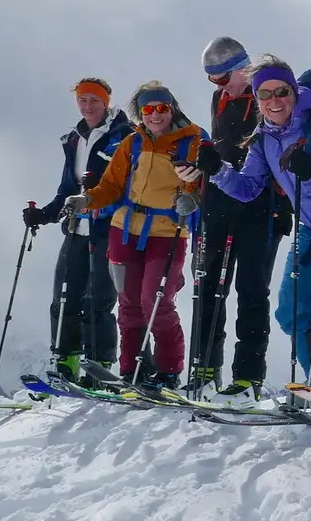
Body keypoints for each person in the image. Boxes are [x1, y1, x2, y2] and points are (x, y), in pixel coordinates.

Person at [199, 56, 311, 391]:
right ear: (257, 99)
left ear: (294, 92)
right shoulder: (264, 137)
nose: (274, 100)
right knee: (293, 311)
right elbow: (249, 188)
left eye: (281, 91)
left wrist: (308, 175)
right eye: (264, 94)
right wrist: (218, 171)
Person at [62, 80, 208, 390]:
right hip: (124, 229)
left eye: (161, 108)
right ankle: (132, 371)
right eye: (147, 110)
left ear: (172, 108)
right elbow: (111, 186)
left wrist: (193, 198)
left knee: (156, 302)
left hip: (168, 232)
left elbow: (204, 184)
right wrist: (86, 200)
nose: (155, 115)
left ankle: (168, 371)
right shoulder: (133, 143)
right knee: (128, 303)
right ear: (139, 113)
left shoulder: (193, 140)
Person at [183, 36, 289, 397]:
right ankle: (204, 367)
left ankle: (248, 377)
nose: (219, 86)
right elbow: (223, 145)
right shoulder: (221, 98)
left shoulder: (264, 97)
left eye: (223, 77)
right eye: (212, 79)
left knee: (252, 290)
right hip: (219, 200)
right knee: (208, 286)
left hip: (261, 206)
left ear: (243, 67)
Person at [25, 77, 132, 388]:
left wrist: (102, 199)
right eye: (82, 100)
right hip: (75, 227)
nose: (87, 106)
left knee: (98, 301)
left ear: (106, 102)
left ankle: (99, 369)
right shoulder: (74, 138)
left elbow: (128, 186)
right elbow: (67, 189)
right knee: (64, 297)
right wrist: (44, 214)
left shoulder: (124, 136)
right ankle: (65, 364)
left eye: (94, 100)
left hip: (107, 228)